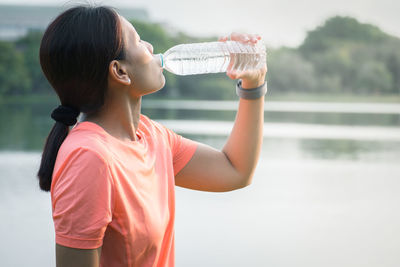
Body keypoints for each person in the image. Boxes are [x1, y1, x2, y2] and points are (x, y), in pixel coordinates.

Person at [37, 4, 267, 267]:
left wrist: (254, 82)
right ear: (120, 71)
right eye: (138, 41)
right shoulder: (89, 158)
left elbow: (235, 170)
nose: (149, 47)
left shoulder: (152, 136)